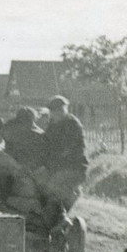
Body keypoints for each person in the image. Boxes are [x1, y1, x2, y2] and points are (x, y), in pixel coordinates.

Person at [36, 95, 89, 231]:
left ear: (64, 110)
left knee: (52, 187)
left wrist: (50, 165)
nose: (55, 114)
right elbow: (45, 146)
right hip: (58, 167)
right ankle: (51, 222)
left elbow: (69, 152)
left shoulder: (73, 125)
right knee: (37, 185)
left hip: (74, 167)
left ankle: (60, 218)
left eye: (59, 110)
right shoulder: (53, 125)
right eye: (53, 111)